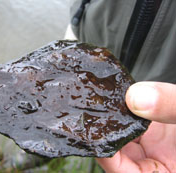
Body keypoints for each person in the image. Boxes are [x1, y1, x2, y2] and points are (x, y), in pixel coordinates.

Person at [66, 0, 176, 172]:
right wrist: (76, 22)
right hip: (89, 35)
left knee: (111, 151)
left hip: (162, 84)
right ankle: (36, 154)